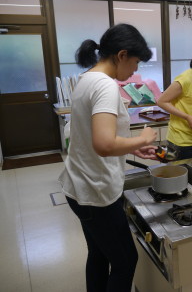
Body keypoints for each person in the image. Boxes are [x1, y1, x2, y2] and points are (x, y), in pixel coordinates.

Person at [59, 23, 158, 292]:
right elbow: (103, 144)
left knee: (100, 254)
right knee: (126, 261)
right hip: (97, 193)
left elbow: (91, 137)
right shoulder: (105, 86)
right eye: (136, 62)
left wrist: (131, 147)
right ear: (122, 54)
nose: (136, 70)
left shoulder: (87, 78)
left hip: (79, 187)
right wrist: (144, 138)